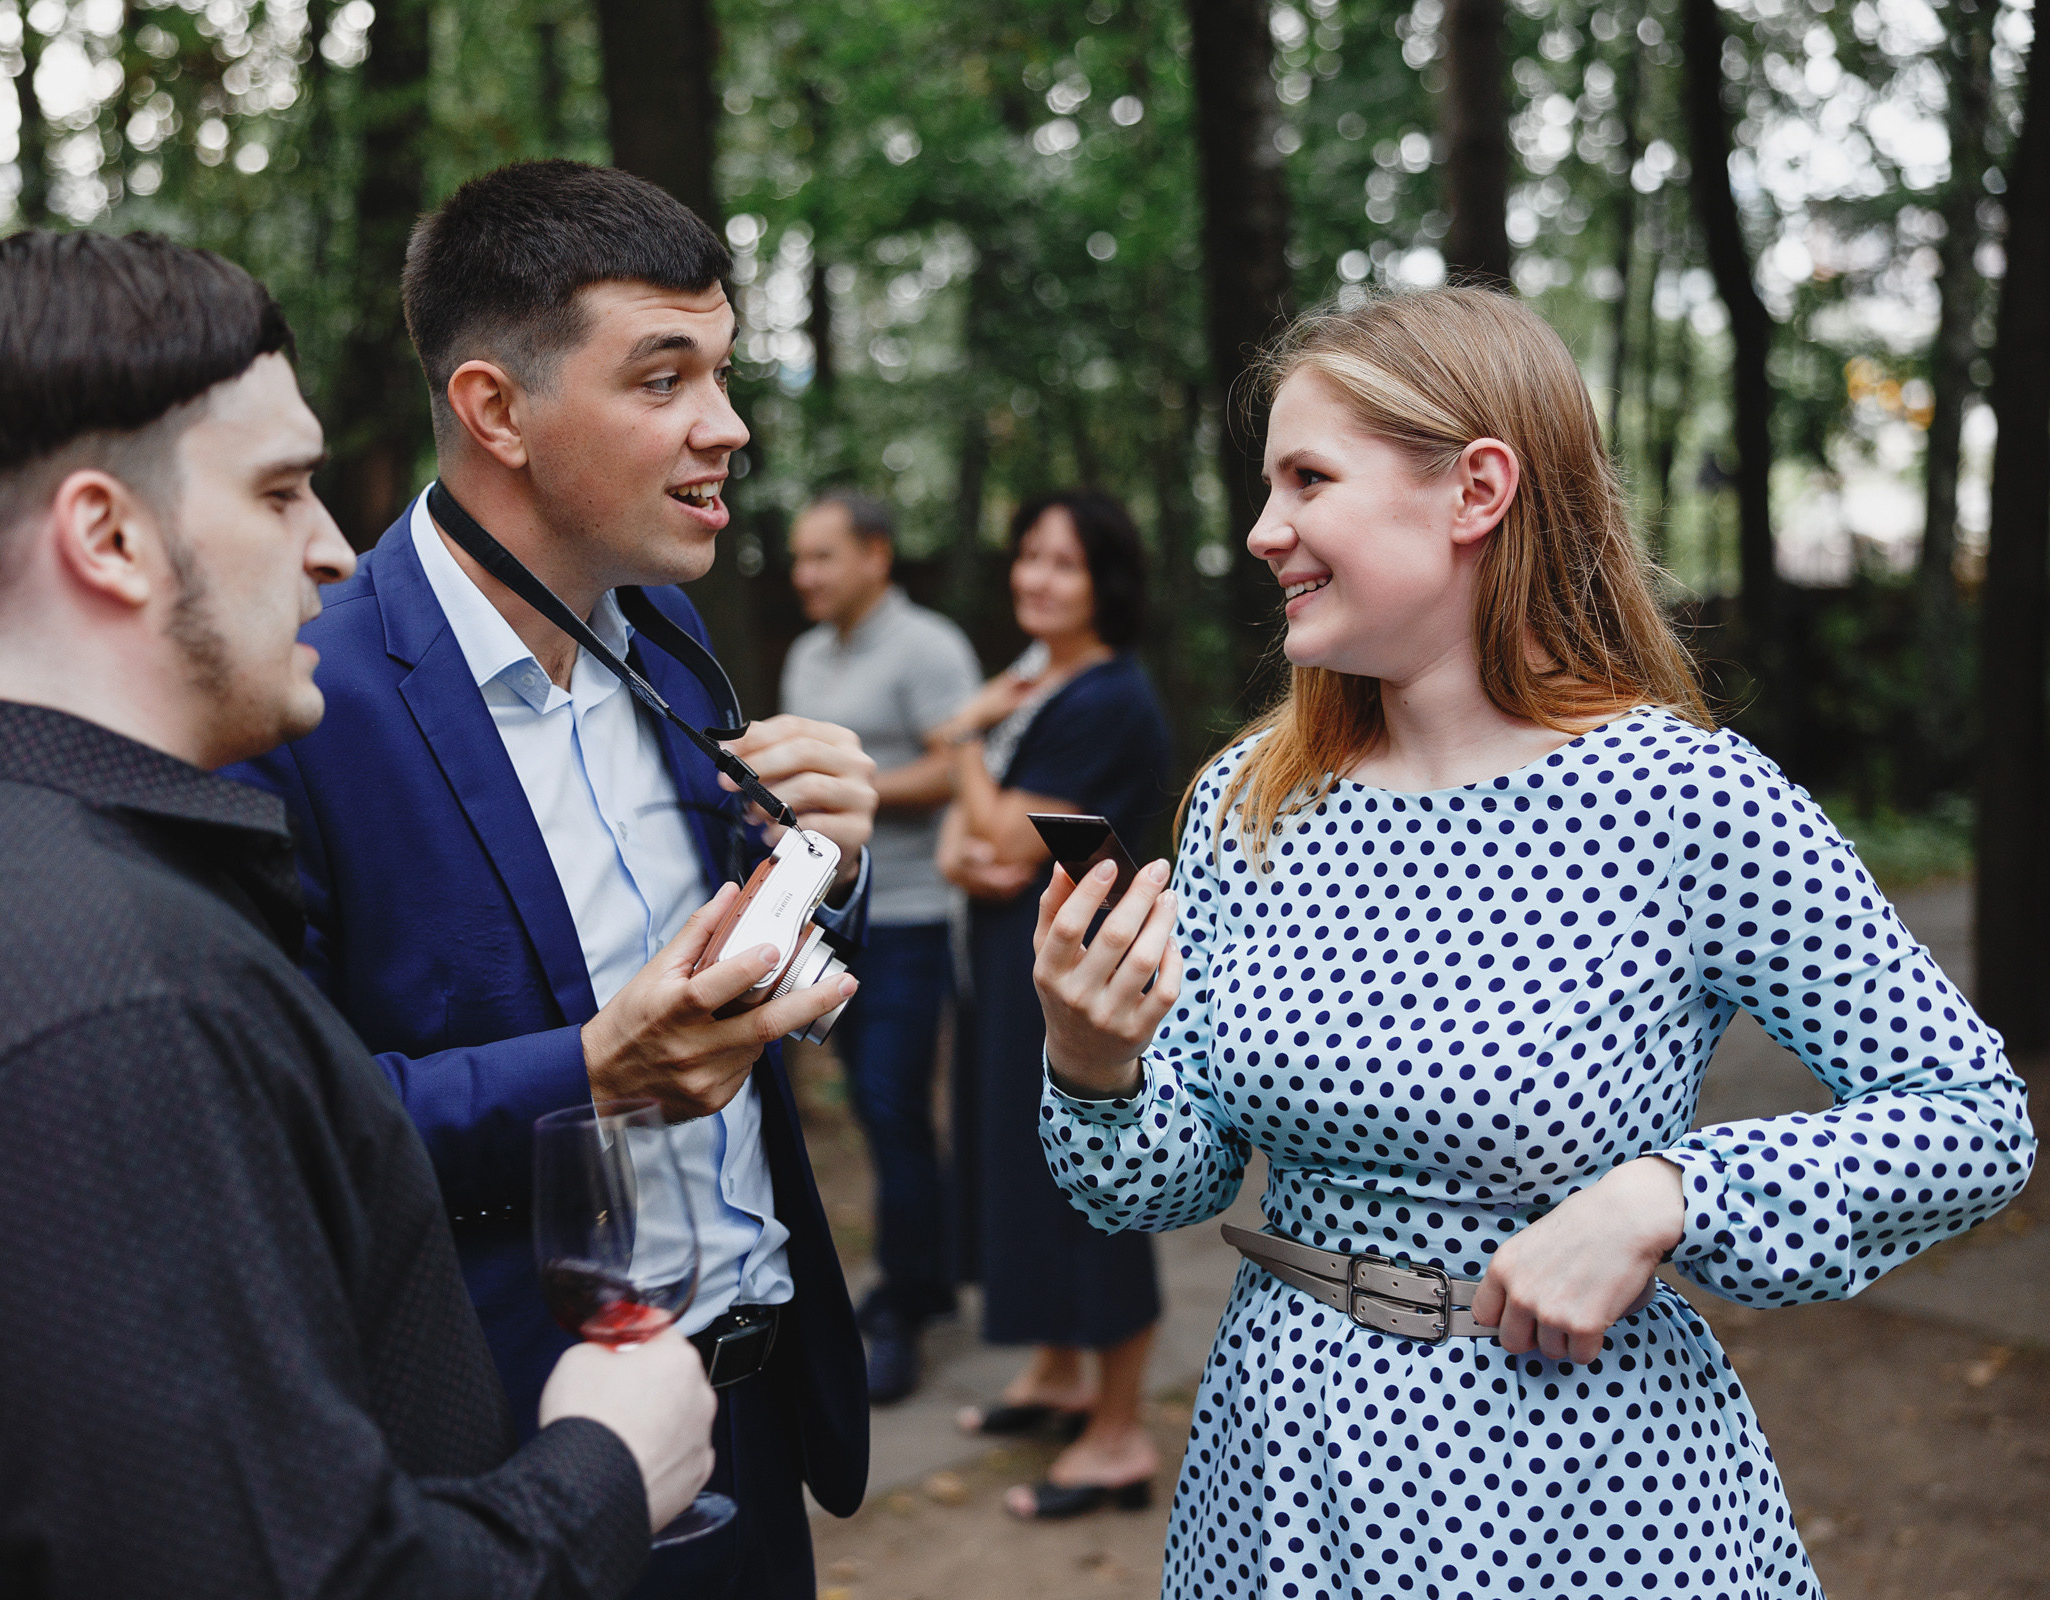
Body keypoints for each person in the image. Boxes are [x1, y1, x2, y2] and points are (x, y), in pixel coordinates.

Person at [0, 230, 720, 1599]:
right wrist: (603, 1470)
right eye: (282, 492)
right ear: (110, 536)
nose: (330, 555)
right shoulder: (103, 997)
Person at [1033, 287, 2038, 1599]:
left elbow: (1971, 1119)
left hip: (1579, 1494)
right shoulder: (1250, 802)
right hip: (1281, 1478)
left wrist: (1668, 1195)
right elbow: (1161, 1187)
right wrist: (1094, 1060)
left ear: (1476, 491)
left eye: (1308, 479)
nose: (1262, 529)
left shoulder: (1687, 803)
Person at [227, 161, 876, 1600]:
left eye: (721, 369)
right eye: (664, 379)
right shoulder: (308, 710)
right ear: (495, 409)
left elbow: (733, 973)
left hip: (752, 1422)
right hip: (512, 1470)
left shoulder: (670, 627)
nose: (729, 426)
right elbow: (284, 1136)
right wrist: (590, 1067)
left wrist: (823, 868)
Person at [925, 489, 1170, 1521]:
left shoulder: (1107, 695)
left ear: (1104, 581)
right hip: (1014, 959)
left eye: (1063, 563)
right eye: (1028, 556)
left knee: (1094, 1191)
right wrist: (976, 825)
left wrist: (964, 740)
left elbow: (1002, 833)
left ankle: (1118, 1433)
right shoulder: (1040, 679)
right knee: (1026, 1176)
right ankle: (1061, 1376)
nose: (1036, 578)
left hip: (1079, 982)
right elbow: (968, 847)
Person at [780, 491, 983, 1402]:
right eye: (799, 560)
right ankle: (932, 1276)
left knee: (894, 1101)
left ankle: (903, 1303)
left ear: (875, 555)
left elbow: (960, 768)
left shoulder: (931, 647)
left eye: (822, 557)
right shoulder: (806, 654)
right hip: (833, 917)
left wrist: (852, 791)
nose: (805, 576)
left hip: (911, 914)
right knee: (875, 1104)